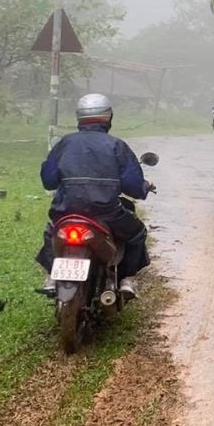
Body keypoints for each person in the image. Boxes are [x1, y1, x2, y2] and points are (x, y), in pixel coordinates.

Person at [37, 93, 154, 295]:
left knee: (51, 231)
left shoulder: (65, 143)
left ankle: (51, 277)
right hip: (106, 213)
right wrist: (144, 187)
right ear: (108, 117)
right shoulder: (117, 146)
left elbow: (48, 180)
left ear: (79, 118)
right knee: (137, 234)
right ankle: (125, 279)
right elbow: (133, 186)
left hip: (66, 211)